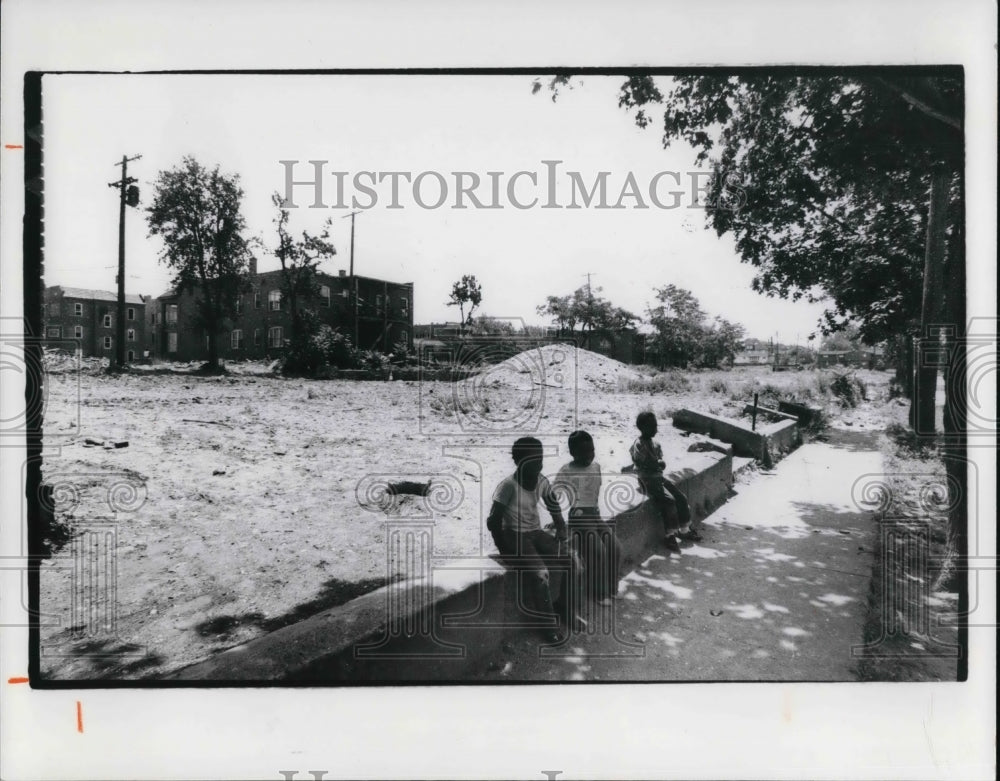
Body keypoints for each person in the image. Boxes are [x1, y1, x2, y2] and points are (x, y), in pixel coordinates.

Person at [487, 437, 587, 641]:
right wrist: (504, 550)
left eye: (540, 459)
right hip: (515, 535)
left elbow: (553, 504)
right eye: (532, 460)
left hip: (535, 532)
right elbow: (493, 521)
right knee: (541, 575)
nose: (538, 464)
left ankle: (566, 608)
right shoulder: (508, 486)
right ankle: (547, 626)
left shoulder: (541, 480)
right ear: (518, 462)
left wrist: (561, 528)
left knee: (573, 560)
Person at [554, 430, 624, 606]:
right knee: (598, 550)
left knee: (615, 547)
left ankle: (611, 588)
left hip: (595, 514)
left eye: (591, 451)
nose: (588, 456)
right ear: (572, 453)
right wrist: (558, 521)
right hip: (579, 517)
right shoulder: (566, 470)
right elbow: (553, 495)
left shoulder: (596, 467)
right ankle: (599, 592)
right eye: (583, 453)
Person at [629, 411, 702, 553]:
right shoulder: (639, 444)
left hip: (658, 477)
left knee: (680, 497)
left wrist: (660, 464)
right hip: (647, 479)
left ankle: (685, 529)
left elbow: (659, 462)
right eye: (652, 426)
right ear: (643, 427)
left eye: (656, 426)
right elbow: (641, 463)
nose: (656, 429)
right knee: (669, 501)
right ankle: (670, 535)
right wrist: (657, 463)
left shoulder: (655, 444)